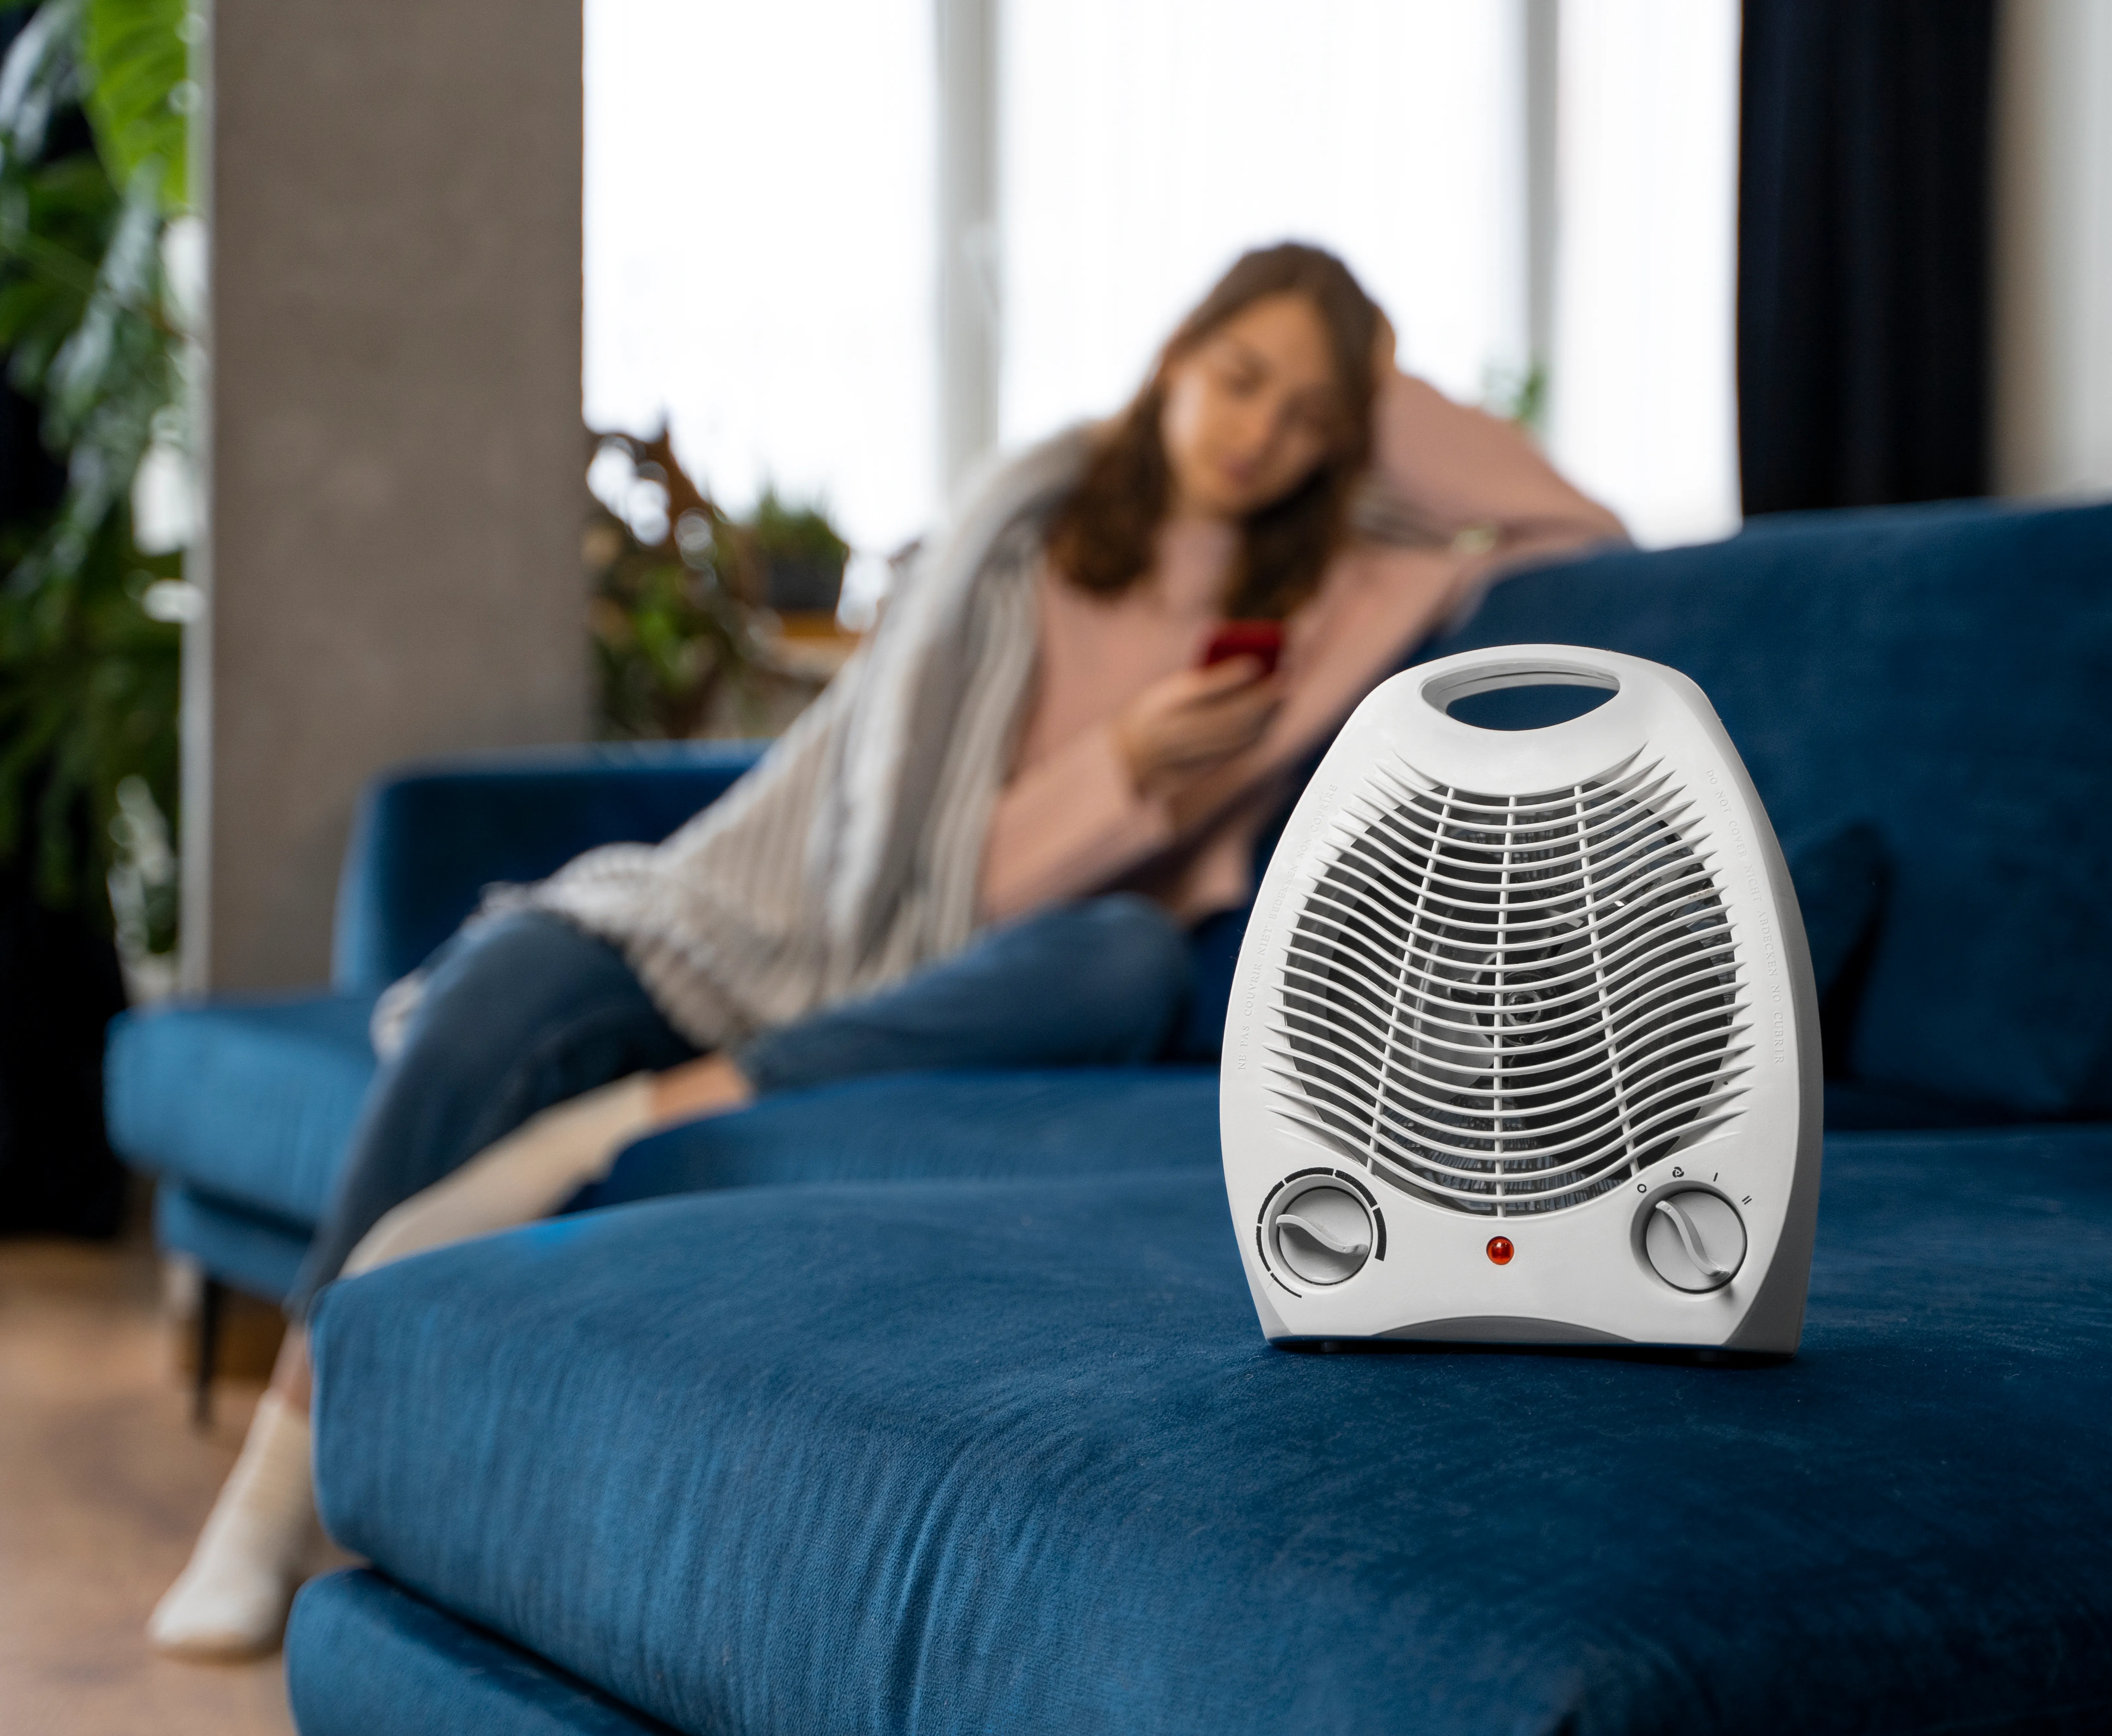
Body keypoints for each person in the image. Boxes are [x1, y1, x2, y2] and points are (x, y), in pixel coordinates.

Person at [148, 242, 1627, 1657]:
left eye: (1311, 415)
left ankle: (629, 1112)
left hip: (1011, 965)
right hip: (783, 910)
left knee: (1120, 955)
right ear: (1172, 356)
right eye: (1240, 376)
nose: (1261, 433)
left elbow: (1585, 530)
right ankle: (275, 1476)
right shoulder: (1030, 526)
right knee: (508, 984)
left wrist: (1379, 384)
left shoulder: (1338, 596)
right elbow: (899, 860)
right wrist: (1123, 760)